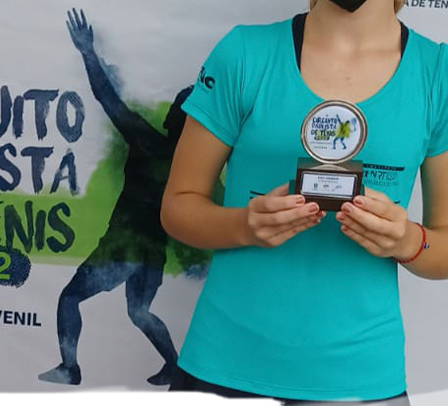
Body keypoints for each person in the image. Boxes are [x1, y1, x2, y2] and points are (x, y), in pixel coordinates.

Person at [160, 0, 448, 405]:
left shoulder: (437, 73)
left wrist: (407, 241)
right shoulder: (245, 53)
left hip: (361, 380)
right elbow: (178, 205)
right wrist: (244, 225)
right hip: (225, 363)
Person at [39, 9, 218, 387]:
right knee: (139, 311)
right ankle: (175, 365)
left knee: (70, 298)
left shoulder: (147, 142)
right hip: (152, 253)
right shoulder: (200, 166)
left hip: (123, 249)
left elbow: (108, 99)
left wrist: (88, 52)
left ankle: (70, 368)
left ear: (172, 119)